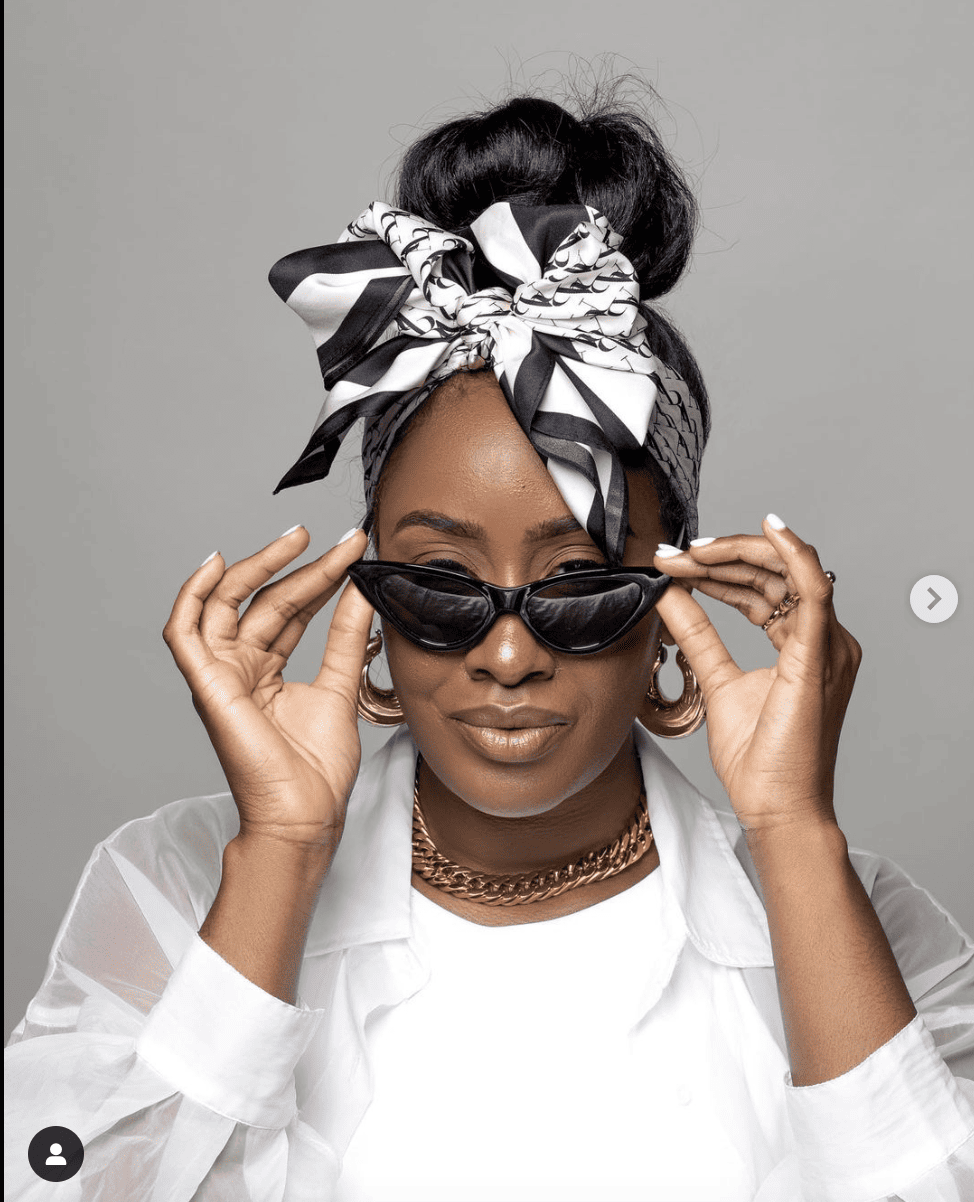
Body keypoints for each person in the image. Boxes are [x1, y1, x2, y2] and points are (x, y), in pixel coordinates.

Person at [5, 92, 973, 1202]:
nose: (506, 656)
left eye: (576, 587)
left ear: (671, 601)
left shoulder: (849, 923)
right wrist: (279, 852)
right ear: (365, 600)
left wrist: (794, 837)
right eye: (438, 586)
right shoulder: (176, 890)